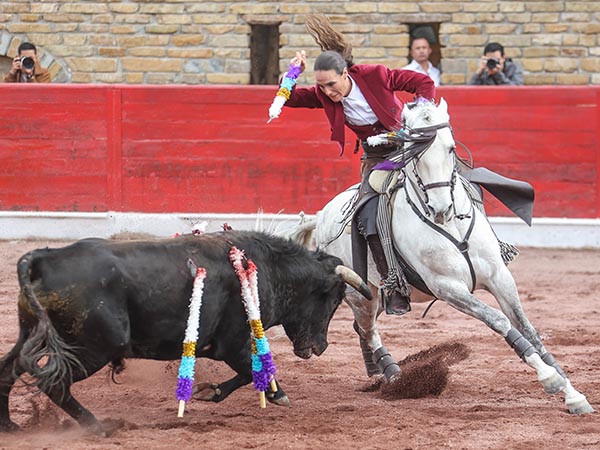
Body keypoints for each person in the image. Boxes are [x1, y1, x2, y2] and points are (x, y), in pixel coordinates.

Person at [284, 14, 436, 316]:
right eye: (322, 87)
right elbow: (287, 98)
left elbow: (423, 82)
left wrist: (420, 113)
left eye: (331, 84)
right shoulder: (323, 96)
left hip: (409, 147)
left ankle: (489, 246)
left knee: (448, 180)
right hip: (378, 160)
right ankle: (391, 281)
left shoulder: (375, 75)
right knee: (368, 212)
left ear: (345, 74)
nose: (328, 92)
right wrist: (292, 72)